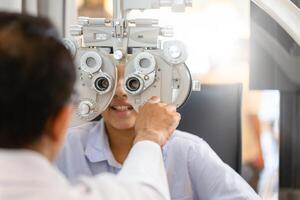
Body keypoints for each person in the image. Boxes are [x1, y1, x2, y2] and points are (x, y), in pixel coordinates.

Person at [0, 12, 181, 200]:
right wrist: (150, 135)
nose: (120, 92)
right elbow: (147, 194)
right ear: (61, 121)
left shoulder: (190, 150)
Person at [56, 59, 261, 199]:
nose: (120, 91)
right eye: (105, 82)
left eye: (133, 82)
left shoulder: (188, 150)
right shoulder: (66, 146)